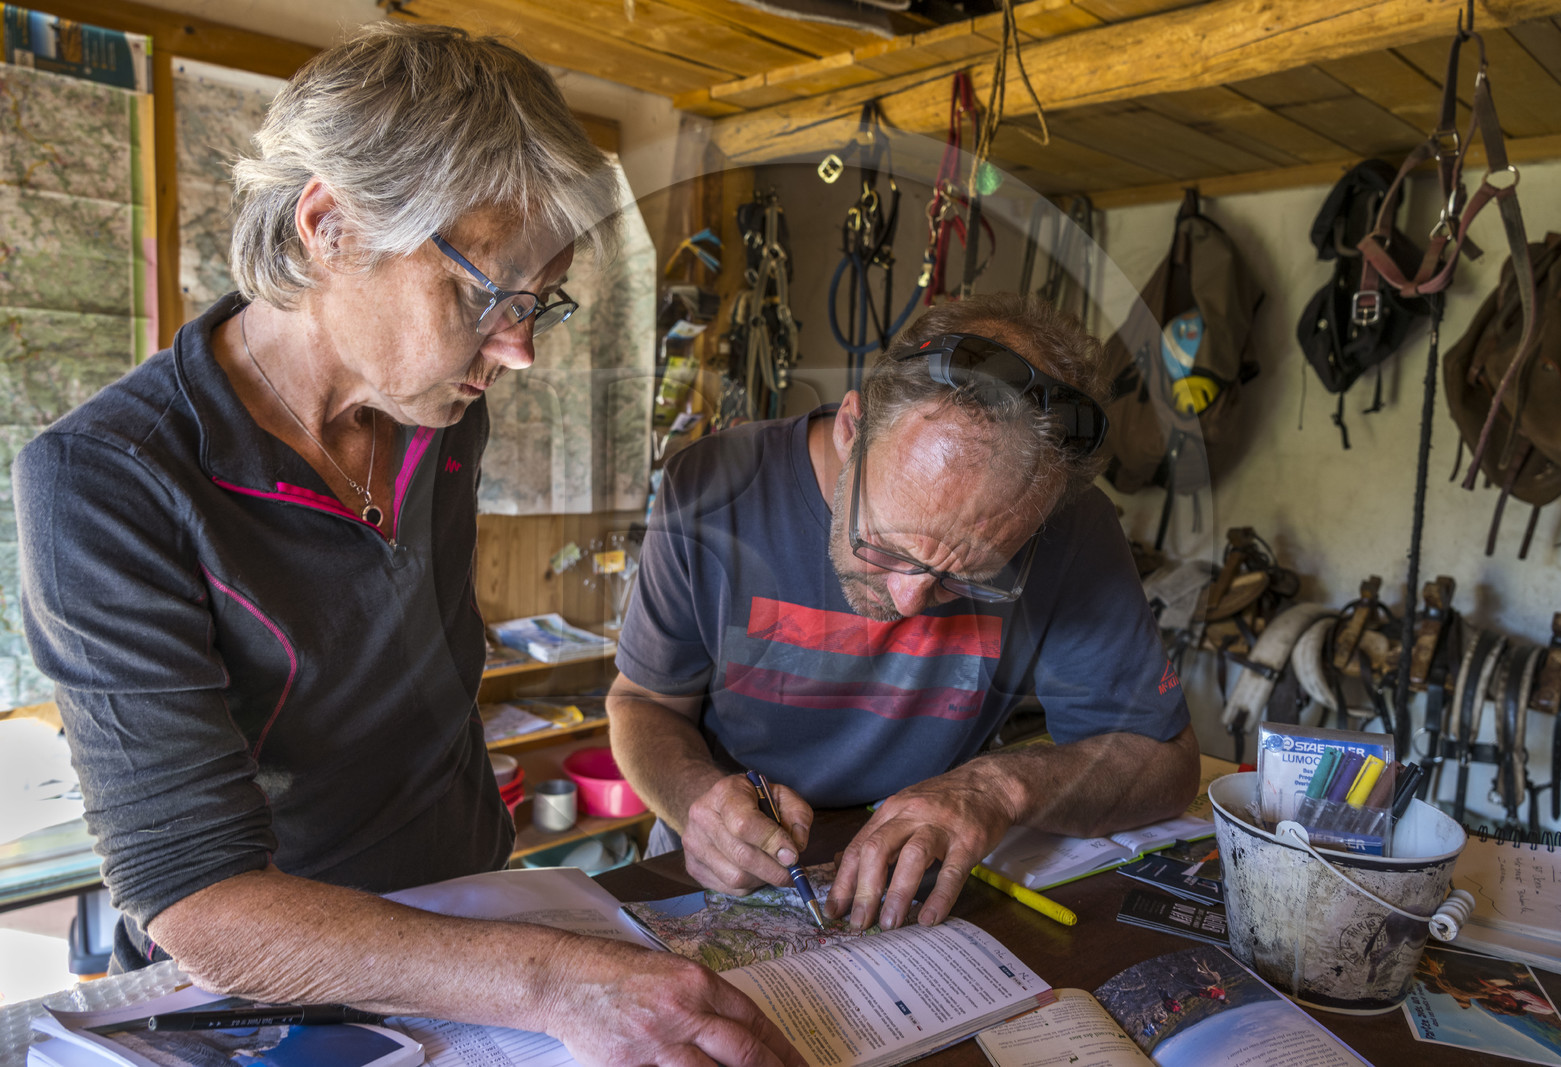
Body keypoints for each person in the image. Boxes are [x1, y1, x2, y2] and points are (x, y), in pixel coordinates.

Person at [13, 24, 801, 1067]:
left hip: (471, 884)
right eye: (487, 297)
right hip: (291, 956)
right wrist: (551, 977)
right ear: (331, 225)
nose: (518, 349)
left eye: (538, 302)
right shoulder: (107, 478)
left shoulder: (435, 404)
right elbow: (194, 895)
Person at [609, 292, 1199, 932]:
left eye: (967, 576)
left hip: (928, 866)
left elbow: (1164, 761)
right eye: (885, 547)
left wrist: (999, 788)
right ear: (851, 428)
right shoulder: (712, 488)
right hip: (724, 857)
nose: (907, 601)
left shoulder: (1072, 528)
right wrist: (696, 797)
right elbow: (642, 705)